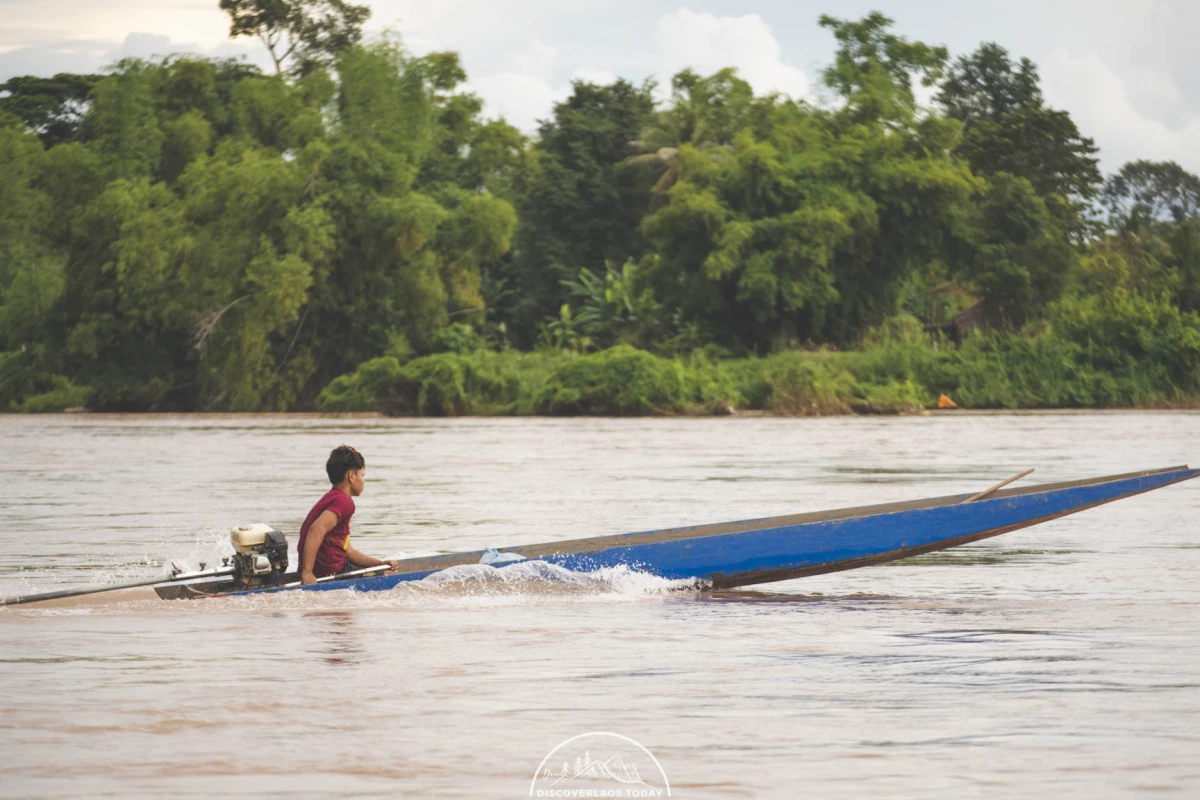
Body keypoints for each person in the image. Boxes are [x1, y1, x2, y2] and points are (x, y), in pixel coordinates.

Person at [297, 445, 398, 585]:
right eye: (362, 476)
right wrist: (307, 573)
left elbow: (348, 552)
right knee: (390, 576)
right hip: (331, 571)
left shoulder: (332, 498)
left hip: (328, 567)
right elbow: (316, 530)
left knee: (383, 570)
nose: (363, 481)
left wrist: (379, 564)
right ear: (351, 476)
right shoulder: (344, 502)